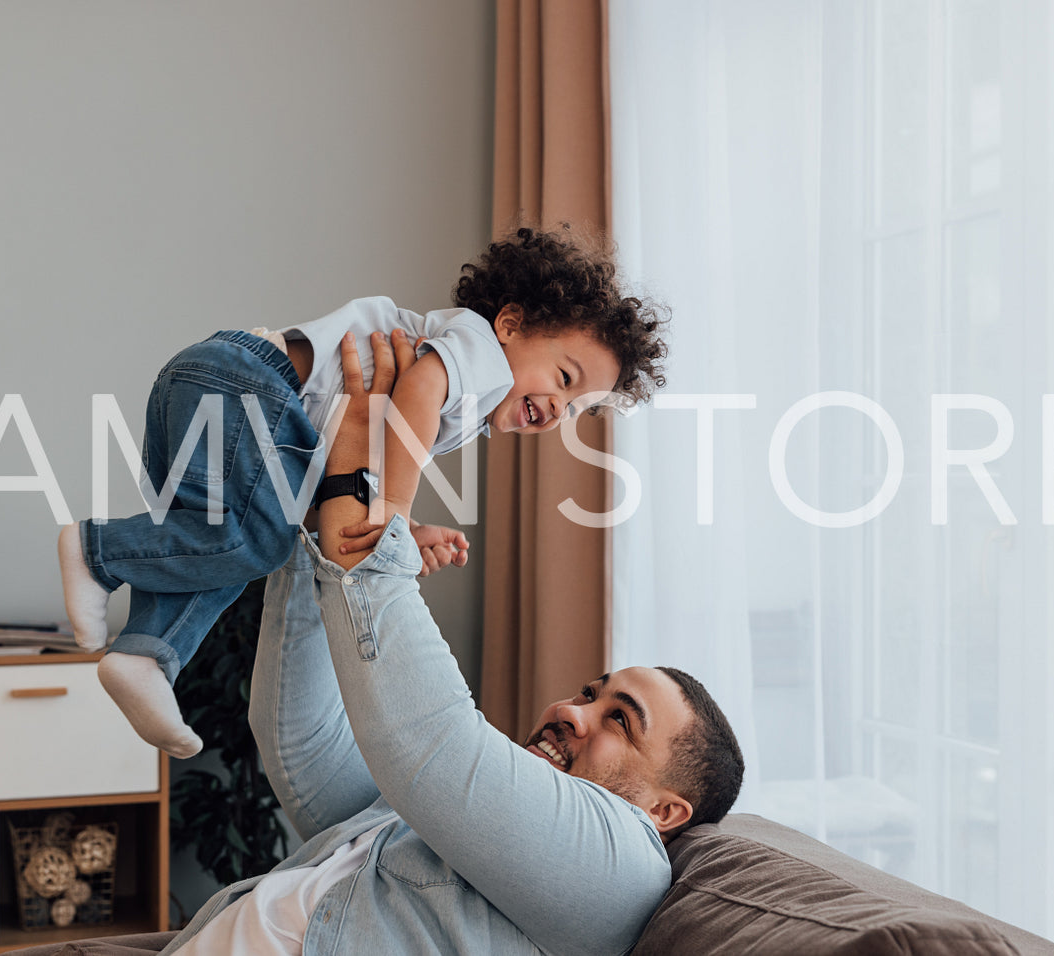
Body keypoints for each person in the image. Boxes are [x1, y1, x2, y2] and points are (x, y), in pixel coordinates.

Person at [158, 330, 744, 956]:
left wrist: (365, 469)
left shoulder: (620, 864)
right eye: (590, 694)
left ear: (665, 811)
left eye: (620, 721)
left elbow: (430, 740)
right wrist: (329, 492)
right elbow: (305, 747)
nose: (571, 711)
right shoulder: (438, 819)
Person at [56, 227, 668, 758]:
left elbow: (363, 462)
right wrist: (394, 516)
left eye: (577, 408)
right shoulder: (482, 353)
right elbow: (420, 392)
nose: (560, 408)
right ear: (512, 324)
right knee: (255, 539)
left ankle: (146, 654)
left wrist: (403, 520)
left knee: (226, 547)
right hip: (247, 383)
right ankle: (98, 551)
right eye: (565, 378)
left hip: (223, 388)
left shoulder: (472, 385)